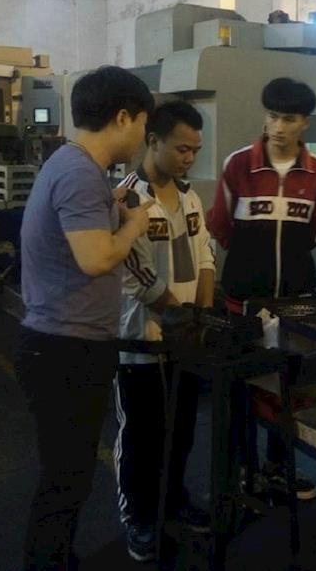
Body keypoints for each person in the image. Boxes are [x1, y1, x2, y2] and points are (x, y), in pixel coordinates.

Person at [14, 65, 155, 571]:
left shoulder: (74, 167)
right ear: (123, 118)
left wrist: (110, 209)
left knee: (69, 476)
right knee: (65, 479)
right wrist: (135, 222)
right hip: (64, 351)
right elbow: (96, 259)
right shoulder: (78, 174)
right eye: (144, 125)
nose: (143, 137)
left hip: (64, 345)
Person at [206, 77, 316, 501]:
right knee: (242, 388)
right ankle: (246, 470)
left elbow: (315, 231)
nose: (278, 127)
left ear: (305, 123)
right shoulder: (238, 165)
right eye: (273, 116)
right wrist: (249, 266)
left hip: (294, 304)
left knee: (288, 388)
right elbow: (220, 226)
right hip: (243, 301)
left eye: (289, 119)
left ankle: (279, 468)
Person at [112, 100, 216, 562]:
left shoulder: (190, 197)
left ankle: (173, 499)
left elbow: (206, 254)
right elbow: (135, 277)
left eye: (195, 150)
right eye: (181, 148)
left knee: (182, 428)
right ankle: (137, 516)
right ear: (152, 141)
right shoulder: (127, 199)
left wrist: (203, 316)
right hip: (143, 343)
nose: (189, 158)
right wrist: (179, 317)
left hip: (187, 341)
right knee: (141, 435)